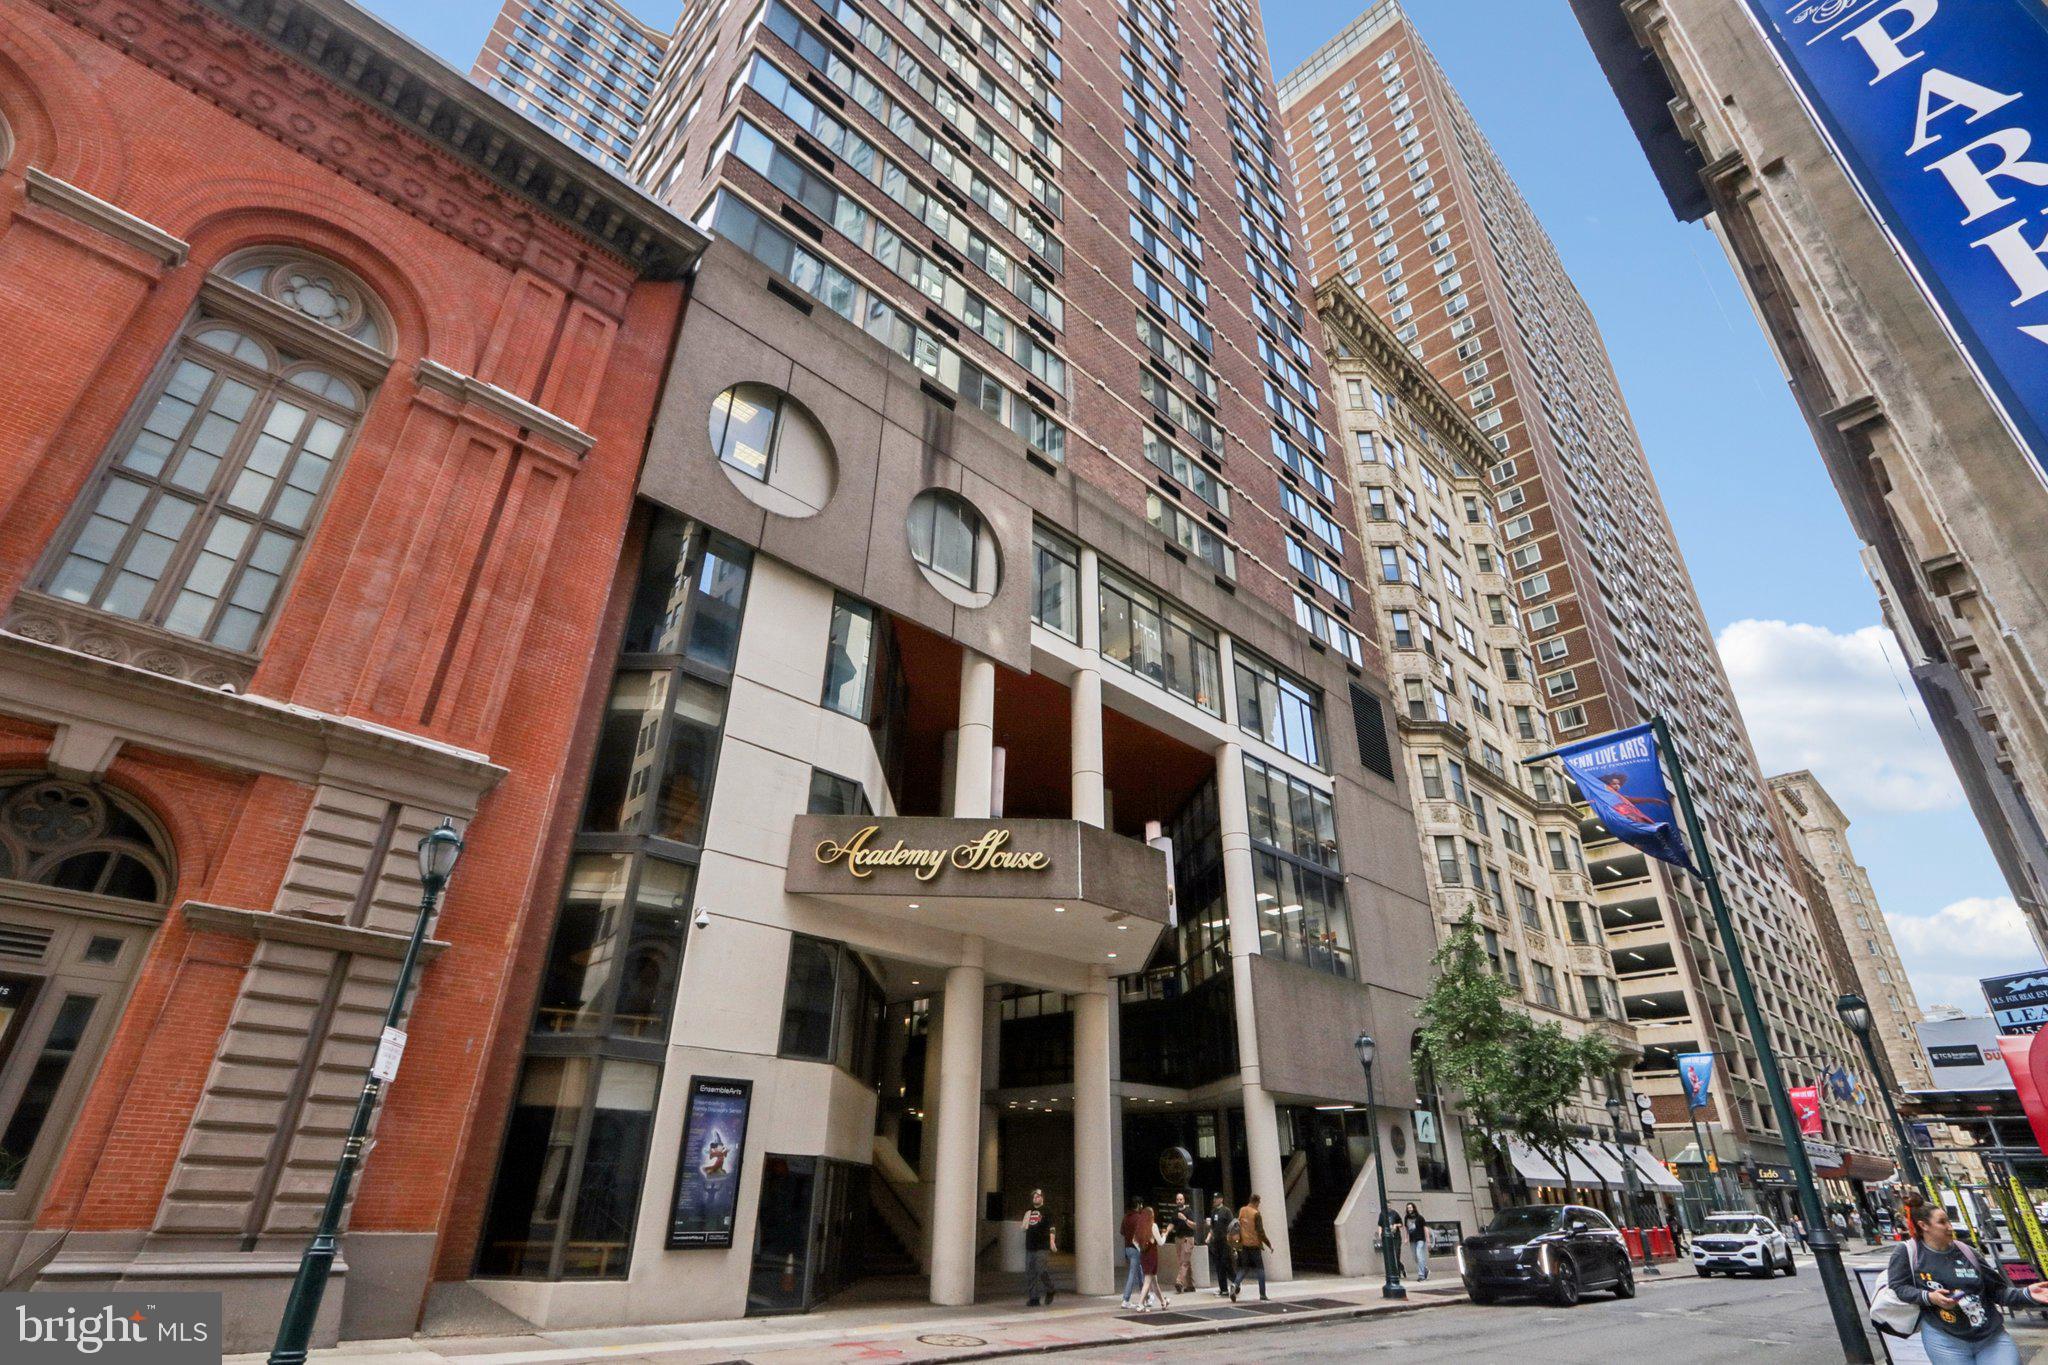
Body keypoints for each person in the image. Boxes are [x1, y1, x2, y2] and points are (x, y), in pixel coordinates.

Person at [1887, 1189, 2048, 1364]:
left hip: (1990, 1337)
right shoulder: (1908, 1252)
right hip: (1945, 1340)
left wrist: (2026, 1294)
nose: (1950, 1227)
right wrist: (1929, 1297)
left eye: (1948, 1221)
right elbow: (1898, 1287)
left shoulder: (1967, 1252)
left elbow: (1998, 1291)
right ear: (1924, 1226)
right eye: (1942, 1222)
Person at [1235, 1193, 1274, 1302]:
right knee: (1260, 1270)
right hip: (1254, 1244)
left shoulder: (1242, 1210)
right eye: (1259, 1203)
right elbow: (1260, 1232)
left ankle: (1235, 1284)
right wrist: (1269, 1244)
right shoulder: (1256, 1214)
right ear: (1256, 1202)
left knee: (1244, 1268)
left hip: (1243, 1244)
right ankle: (1262, 1294)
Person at [1022, 1189, 1057, 1307]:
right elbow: (1024, 1226)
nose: (1036, 1198)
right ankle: (1034, 1298)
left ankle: (1050, 1288)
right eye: (1034, 1197)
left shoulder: (1047, 1211)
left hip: (1042, 1245)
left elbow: (1052, 1227)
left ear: (1042, 1198)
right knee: (1030, 1272)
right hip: (1030, 1245)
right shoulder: (1029, 1210)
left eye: (1038, 1196)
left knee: (1041, 1270)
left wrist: (1052, 1241)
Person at [1120, 1196, 1151, 1310]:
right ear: (1138, 1204)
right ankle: (1126, 1299)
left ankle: (1146, 1297)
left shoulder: (1126, 1217)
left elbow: (1122, 1232)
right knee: (1134, 1273)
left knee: (1140, 1273)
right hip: (1137, 1248)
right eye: (1141, 1204)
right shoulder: (1139, 1218)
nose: (1142, 1206)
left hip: (1128, 1248)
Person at [1136, 1207, 1169, 1311]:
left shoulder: (1140, 1227)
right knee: (1148, 1280)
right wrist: (1165, 1235)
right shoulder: (1153, 1226)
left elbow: (1134, 1240)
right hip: (1152, 1255)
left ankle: (1163, 1302)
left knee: (1154, 1281)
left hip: (1144, 1255)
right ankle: (1140, 1303)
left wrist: (1141, 1249)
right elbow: (1160, 1242)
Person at [1167, 1191, 1199, 1294]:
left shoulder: (1189, 1211)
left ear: (1184, 1200)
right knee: (1185, 1262)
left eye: (1181, 1199)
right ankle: (1190, 1285)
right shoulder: (1175, 1211)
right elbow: (1172, 1223)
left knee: (1184, 1261)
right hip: (1178, 1238)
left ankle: (1179, 1282)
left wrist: (1185, 1219)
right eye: (1177, 1199)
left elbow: (1194, 1225)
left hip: (1188, 1238)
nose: (1179, 1201)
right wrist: (1167, 1231)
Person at [1206, 1195, 1236, 1298]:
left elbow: (1233, 1225)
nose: (1214, 1200)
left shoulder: (1226, 1211)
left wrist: (1232, 1240)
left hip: (1225, 1242)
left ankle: (1236, 1282)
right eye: (1214, 1198)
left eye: (1217, 1198)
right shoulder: (1214, 1212)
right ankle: (1223, 1289)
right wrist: (1209, 1237)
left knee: (1226, 1263)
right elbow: (1212, 1228)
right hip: (1216, 1242)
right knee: (1219, 1265)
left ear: (1221, 1199)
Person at [1403, 1202, 1430, 1281]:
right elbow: (1406, 1228)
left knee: (1419, 1255)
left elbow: (1425, 1228)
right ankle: (1425, 1269)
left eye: (1410, 1207)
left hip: (1420, 1239)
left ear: (1414, 1208)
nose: (1409, 1209)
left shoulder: (1420, 1217)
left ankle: (1421, 1275)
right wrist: (1406, 1238)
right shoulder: (1406, 1218)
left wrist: (1428, 1239)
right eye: (1408, 1208)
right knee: (1415, 1257)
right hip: (1412, 1239)